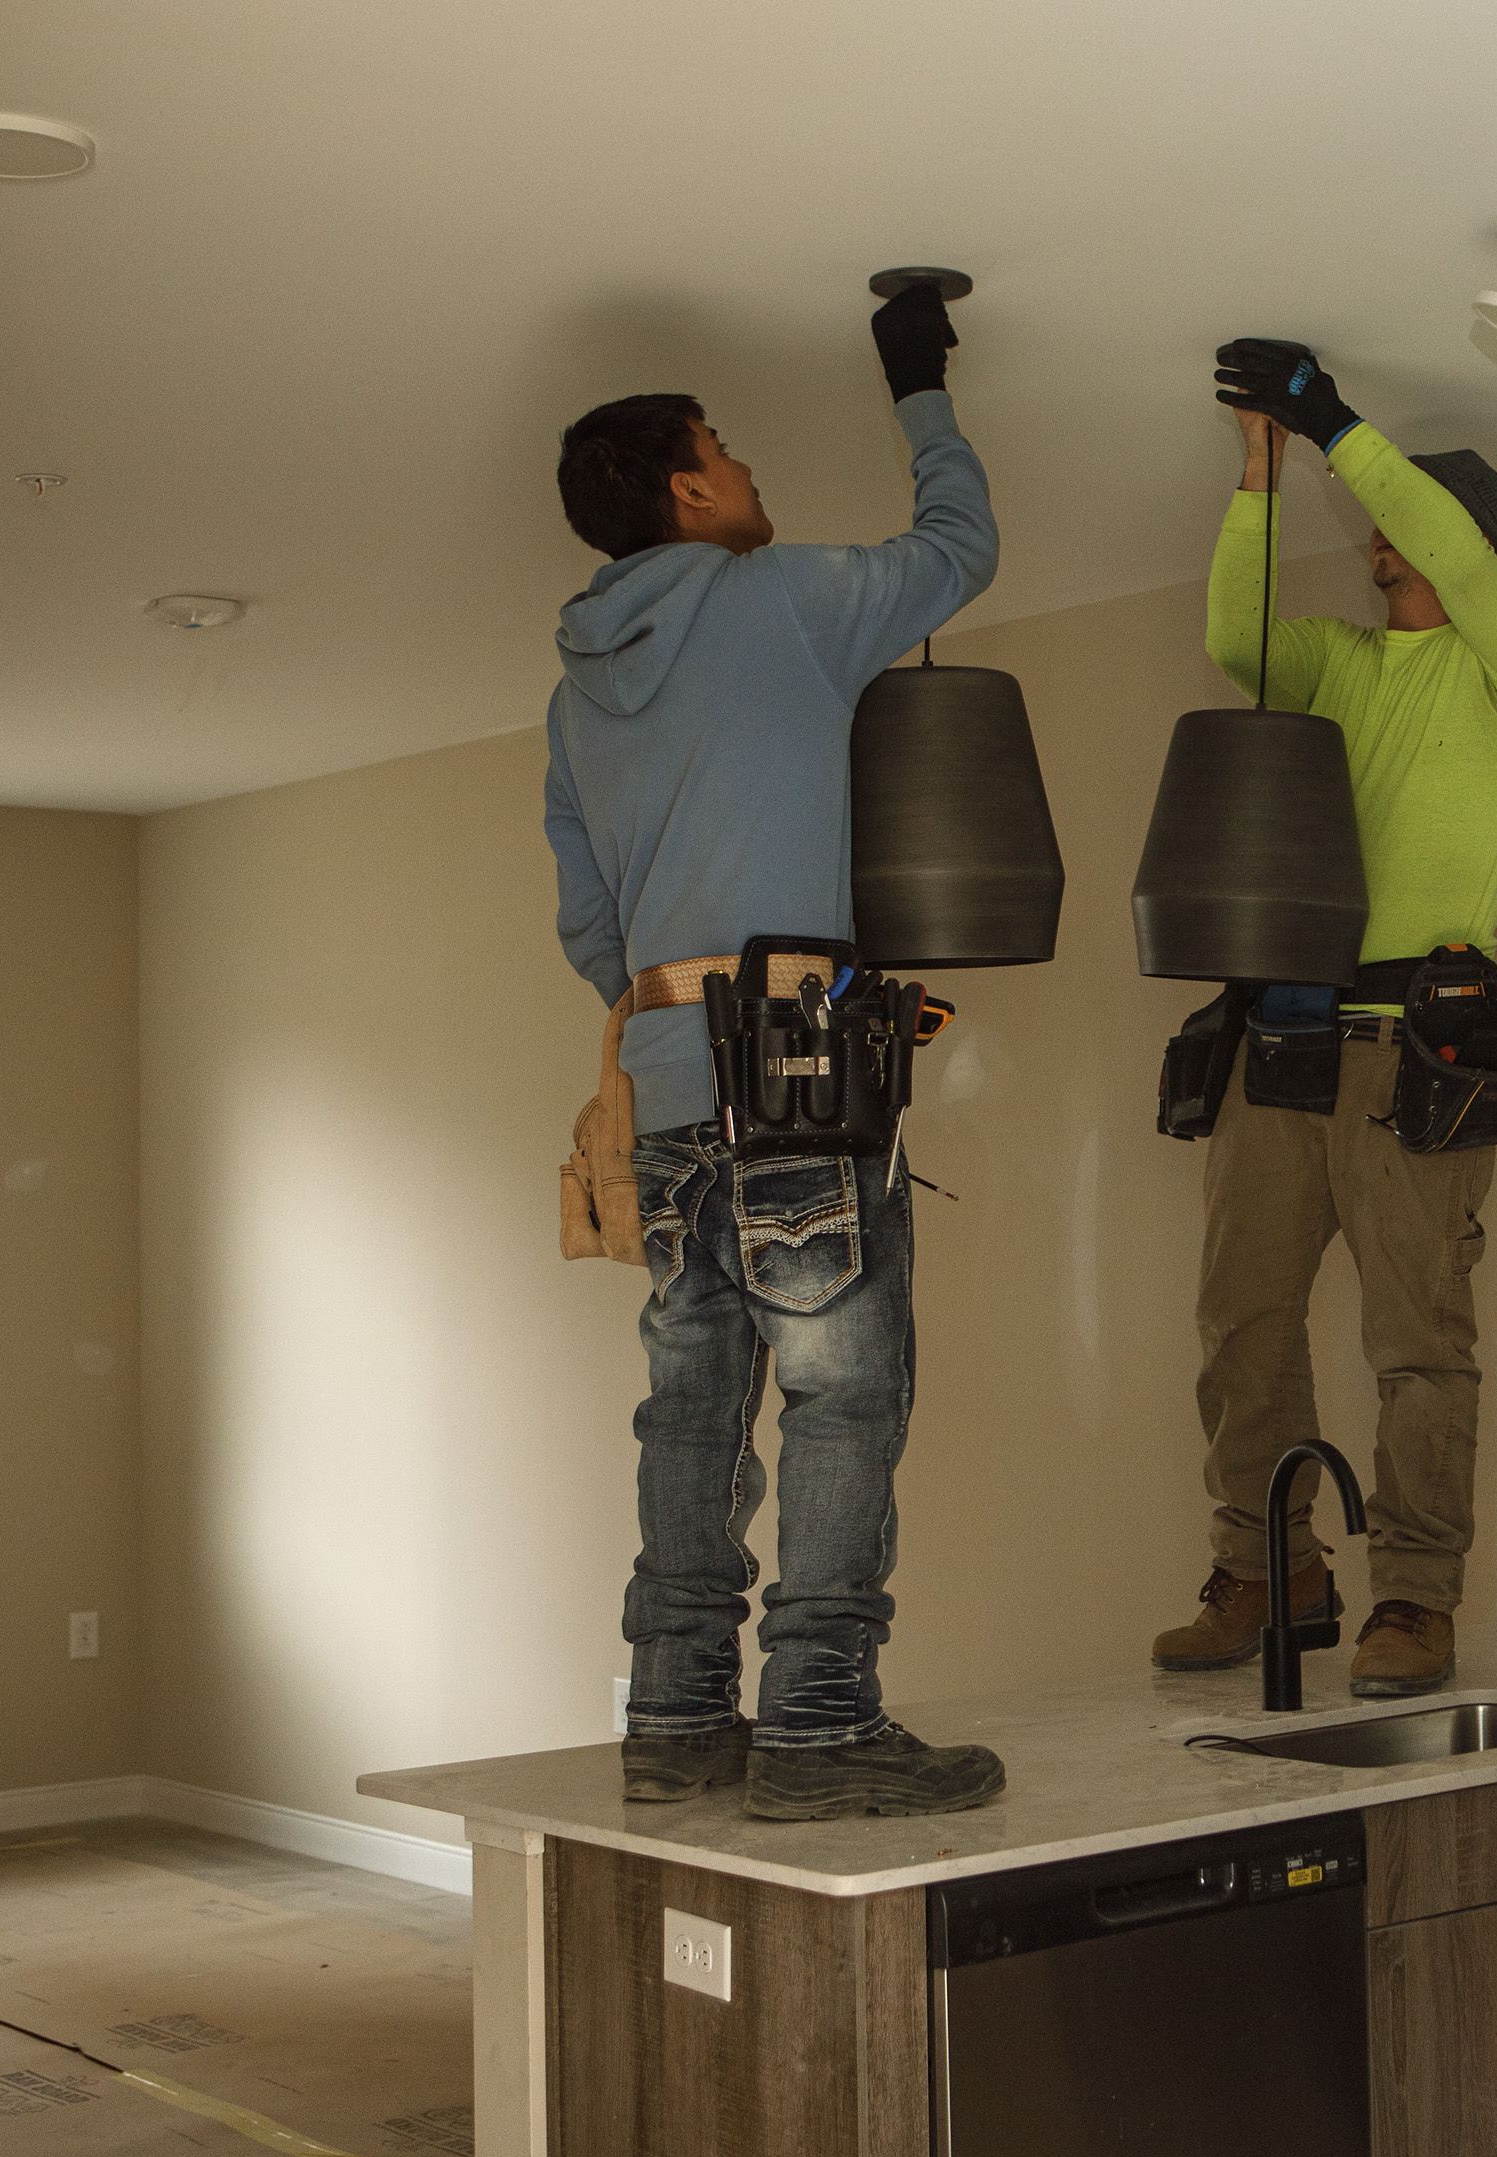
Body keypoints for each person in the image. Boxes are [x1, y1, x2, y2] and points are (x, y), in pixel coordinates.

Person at [545, 285, 1006, 1820]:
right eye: (725, 451)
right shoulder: (775, 599)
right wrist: (921, 386)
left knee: (692, 1403)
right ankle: (816, 1721)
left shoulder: (574, 693)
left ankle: (677, 1714)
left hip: (668, 1080)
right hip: (798, 1062)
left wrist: (683, 1010)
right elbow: (957, 556)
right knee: (842, 1395)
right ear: (686, 489)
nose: (746, 471)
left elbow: (588, 925)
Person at [1150, 339, 1497, 1697]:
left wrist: (1336, 417)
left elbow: (1452, 547)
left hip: (1416, 1052)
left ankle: (1415, 1597)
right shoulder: (1338, 668)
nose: (1381, 551)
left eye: (1400, 533)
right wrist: (1261, 480)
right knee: (1241, 1318)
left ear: (1455, 550)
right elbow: (1234, 639)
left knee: (1417, 1340)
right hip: (1284, 1035)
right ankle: (1270, 1565)